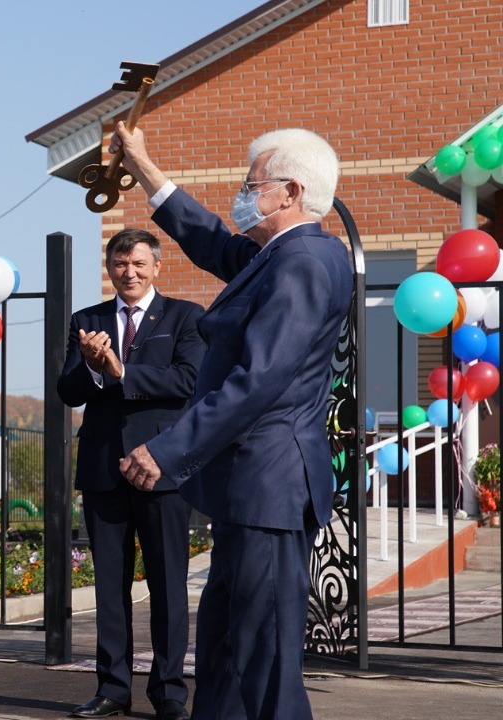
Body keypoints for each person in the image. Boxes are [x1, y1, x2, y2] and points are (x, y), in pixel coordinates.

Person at [112, 124, 353, 720]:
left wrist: (167, 449)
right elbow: (213, 242)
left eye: (251, 186)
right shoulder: (284, 254)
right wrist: (142, 166)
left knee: (263, 662)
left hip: (268, 486)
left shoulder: (302, 262)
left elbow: (259, 380)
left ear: (290, 192)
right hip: (248, 491)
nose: (242, 196)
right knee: (223, 652)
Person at [57, 228, 204, 720]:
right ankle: (112, 689)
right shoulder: (88, 320)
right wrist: (92, 367)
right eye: (120, 264)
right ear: (110, 268)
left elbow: (189, 380)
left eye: (139, 264)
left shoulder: (185, 317)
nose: (130, 273)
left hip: (162, 468)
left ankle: (169, 692)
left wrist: (120, 370)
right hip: (103, 469)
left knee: (168, 585)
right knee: (109, 588)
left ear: (156, 267)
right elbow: (68, 391)